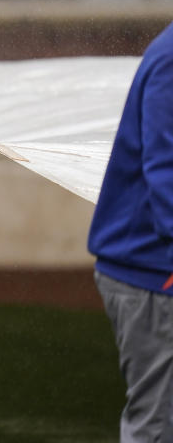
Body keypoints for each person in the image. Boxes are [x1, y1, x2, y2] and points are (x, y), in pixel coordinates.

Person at [88, 23, 173, 442]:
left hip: (151, 265)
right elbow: (166, 172)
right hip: (152, 269)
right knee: (158, 427)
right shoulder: (172, 59)